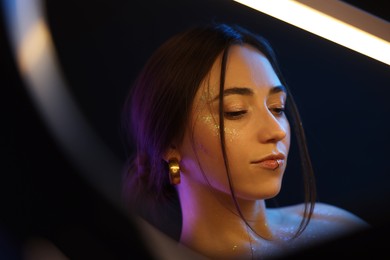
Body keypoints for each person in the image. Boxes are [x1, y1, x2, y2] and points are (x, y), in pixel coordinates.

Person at [120, 22, 369, 259]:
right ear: (169, 144)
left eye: (277, 108)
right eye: (235, 111)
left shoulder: (332, 224)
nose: (276, 131)